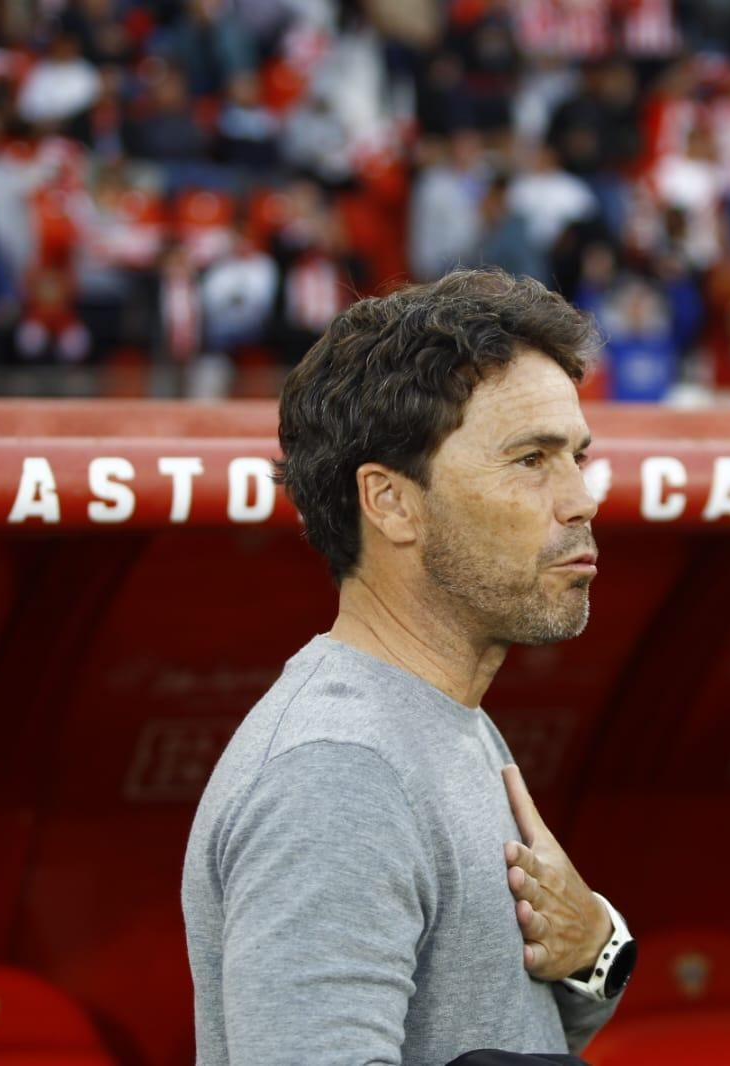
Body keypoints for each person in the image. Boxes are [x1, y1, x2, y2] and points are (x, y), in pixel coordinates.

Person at [183, 268, 635, 1064]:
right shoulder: (335, 774)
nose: (581, 499)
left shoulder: (441, 714)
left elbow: (502, 1029)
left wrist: (599, 948)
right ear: (391, 502)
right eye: (532, 460)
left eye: (577, 456)